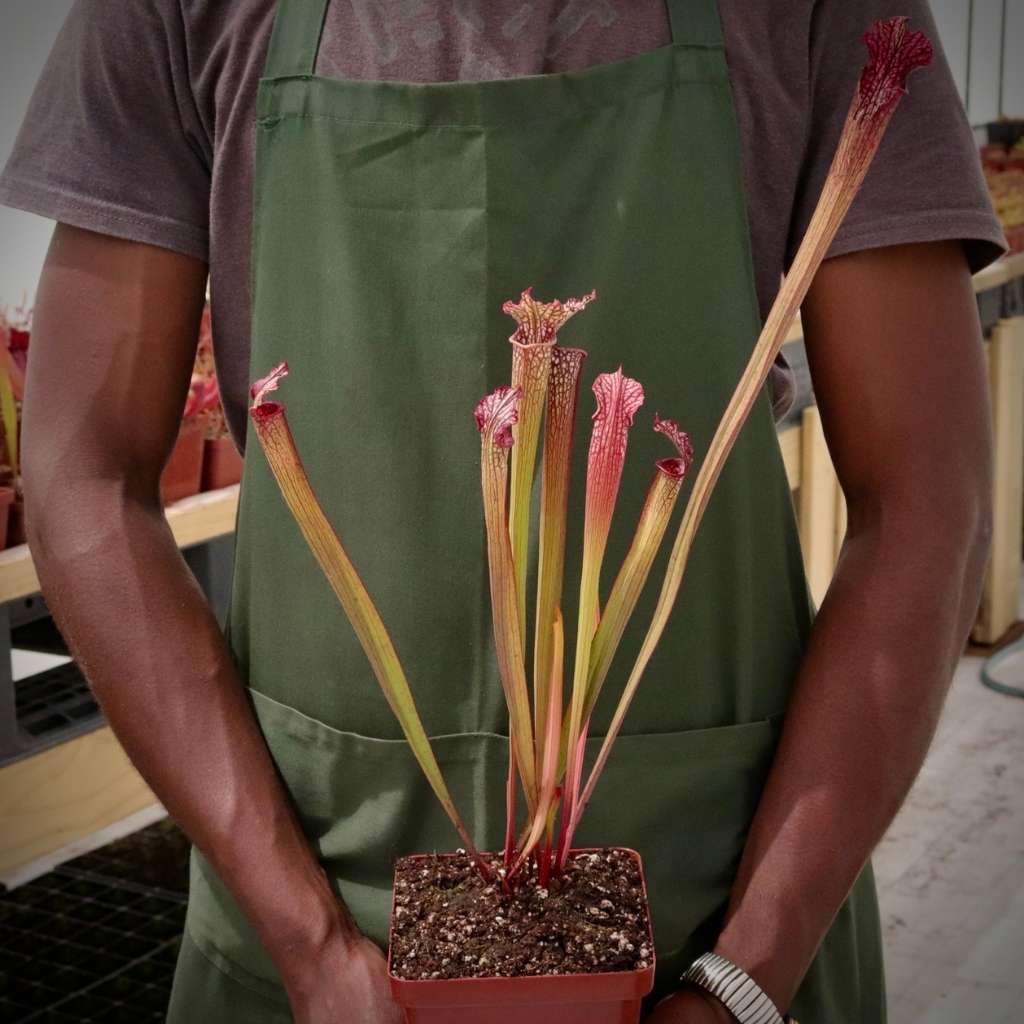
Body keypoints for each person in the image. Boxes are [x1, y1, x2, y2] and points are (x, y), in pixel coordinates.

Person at [0, 1, 1003, 1021]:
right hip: (304, 889)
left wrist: (750, 969)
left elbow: (928, 498)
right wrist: (307, 938)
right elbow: (85, 473)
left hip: (721, 901)